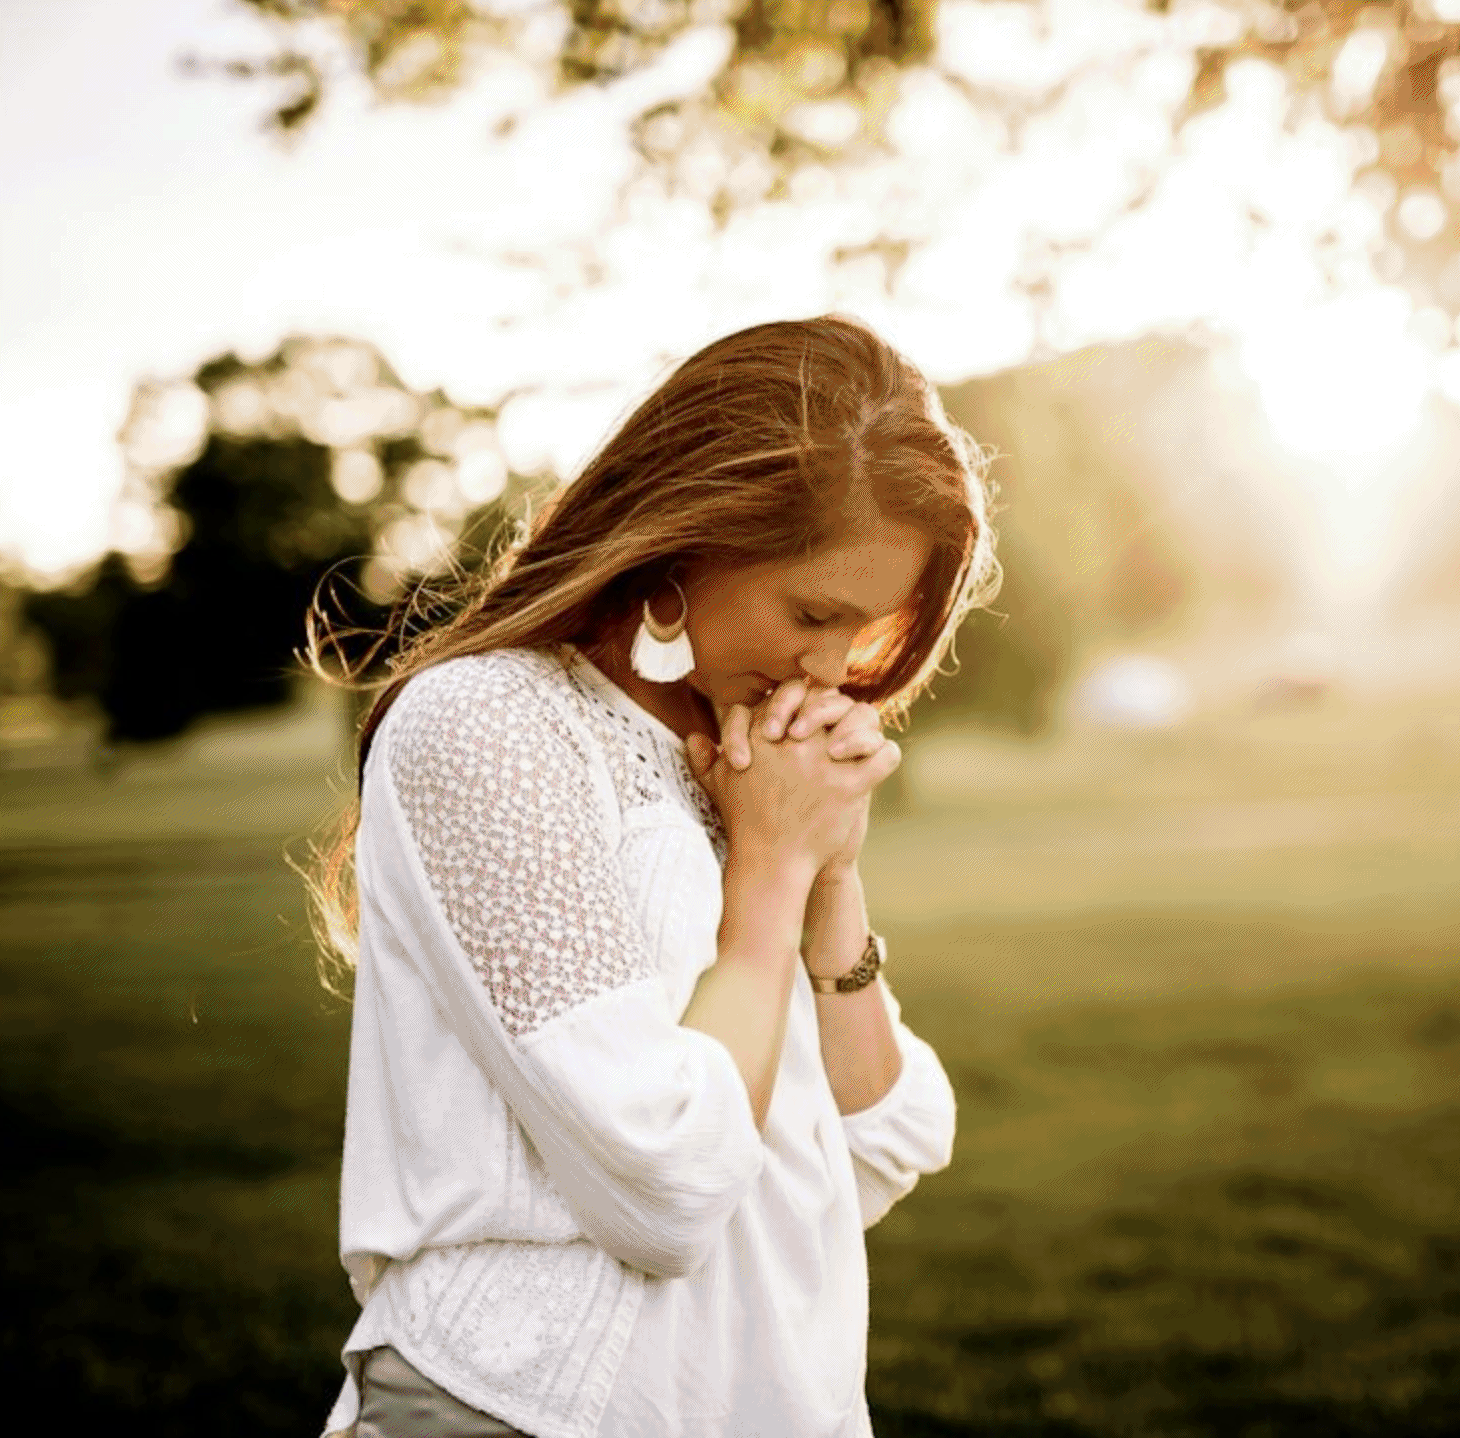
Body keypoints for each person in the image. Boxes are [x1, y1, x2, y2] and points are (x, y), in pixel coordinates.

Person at [308, 315, 998, 1437]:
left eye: (863, 628)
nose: (833, 668)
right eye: (812, 613)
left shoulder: (741, 756)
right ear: (686, 541)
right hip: (516, 1409)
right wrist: (770, 871)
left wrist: (827, 875)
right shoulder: (490, 726)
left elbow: (880, 1140)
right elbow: (668, 1183)